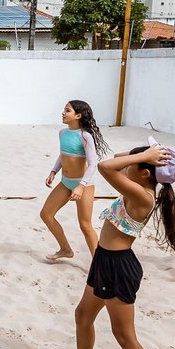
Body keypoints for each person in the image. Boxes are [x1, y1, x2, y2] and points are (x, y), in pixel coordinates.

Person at [62, 140, 175, 349]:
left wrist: (146, 156)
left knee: (124, 335)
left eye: (137, 163)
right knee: (83, 315)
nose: (128, 164)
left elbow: (105, 166)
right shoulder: (137, 181)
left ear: (145, 174)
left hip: (118, 267)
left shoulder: (142, 195)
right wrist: (143, 154)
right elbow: (118, 158)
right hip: (104, 259)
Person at [40, 100, 109, 262]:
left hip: (83, 184)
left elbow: (92, 164)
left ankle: (99, 265)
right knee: (46, 215)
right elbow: (63, 155)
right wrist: (53, 171)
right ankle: (65, 249)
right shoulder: (62, 133)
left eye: (67, 110)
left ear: (78, 115)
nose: (63, 113)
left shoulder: (85, 136)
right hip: (65, 182)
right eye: (64, 110)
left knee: (85, 225)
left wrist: (81, 186)